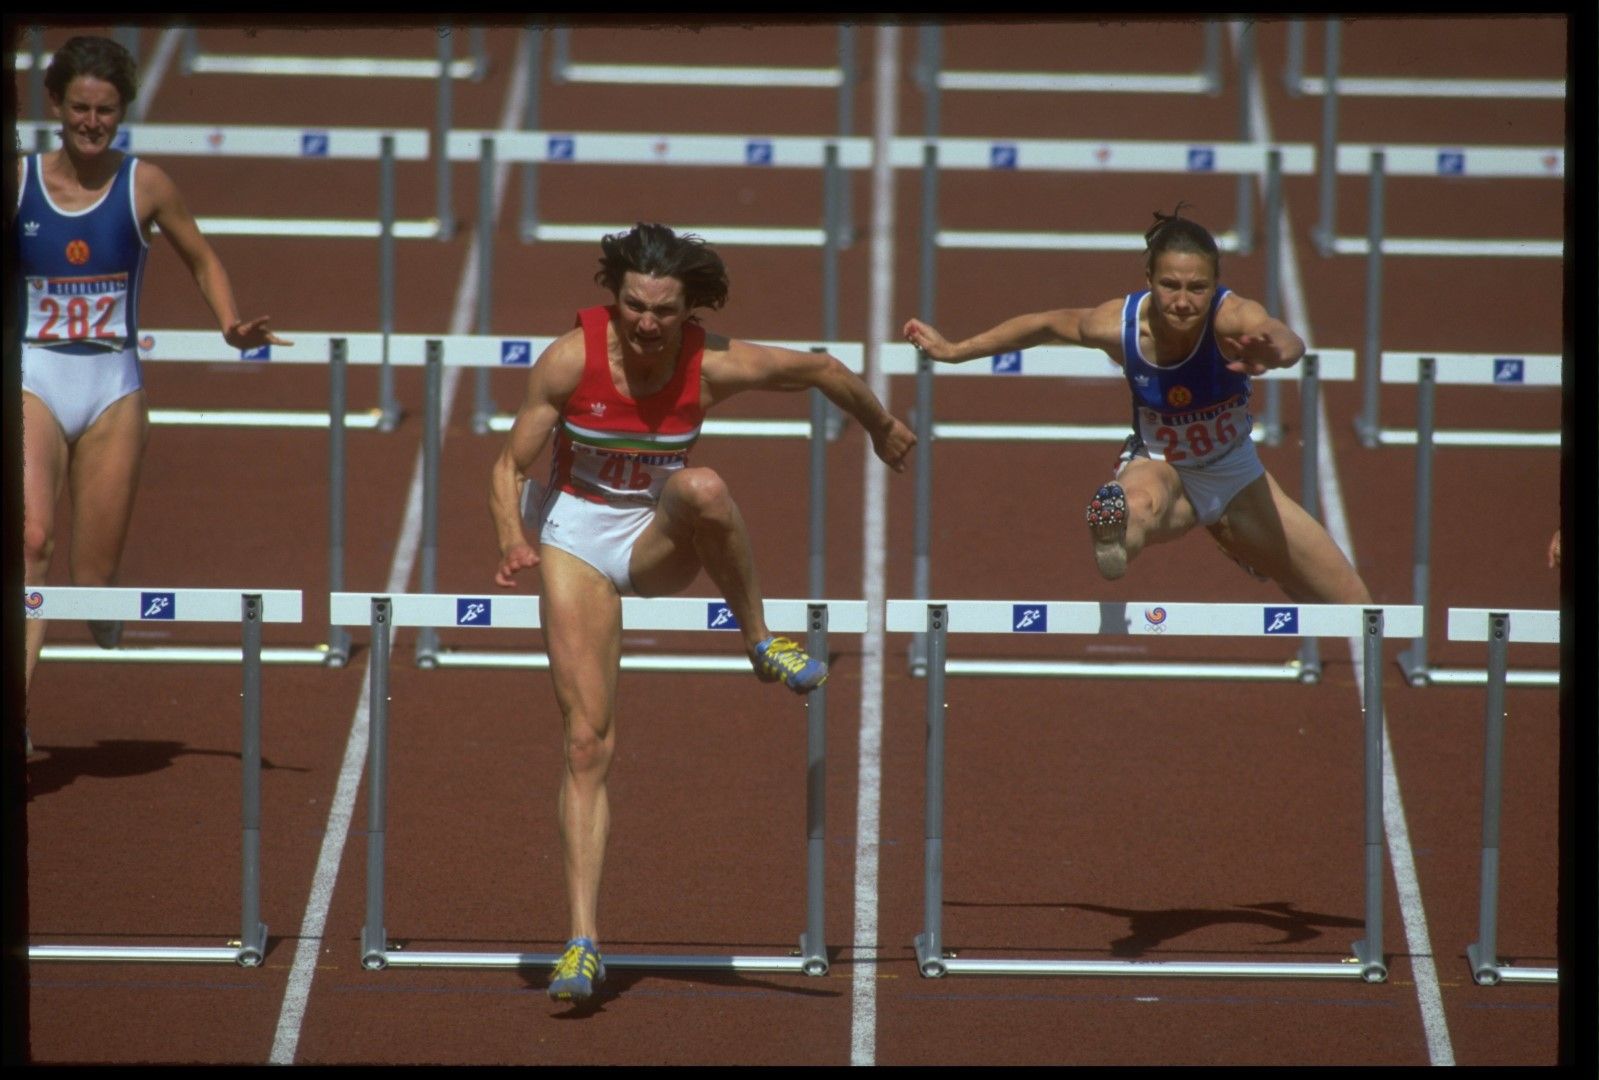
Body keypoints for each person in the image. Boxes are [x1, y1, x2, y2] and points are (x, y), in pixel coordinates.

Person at [488, 222, 916, 1003]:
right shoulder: (570, 359)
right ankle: (581, 944)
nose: (646, 323)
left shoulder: (710, 363)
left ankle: (760, 643)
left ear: (689, 311)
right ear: (613, 299)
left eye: (663, 309)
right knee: (586, 743)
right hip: (574, 537)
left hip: (655, 535)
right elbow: (508, 462)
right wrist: (512, 538)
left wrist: (880, 424)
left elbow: (820, 366)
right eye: (633, 306)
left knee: (704, 486)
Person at [902, 206, 1370, 605]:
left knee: (1354, 605)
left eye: (1198, 288)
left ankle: (1240, 542)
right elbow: (1045, 324)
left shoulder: (1233, 318)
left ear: (1215, 285)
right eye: (1170, 285)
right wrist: (956, 350)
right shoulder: (1117, 325)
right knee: (1137, 505)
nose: (1184, 301)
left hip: (1236, 472)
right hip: (1162, 462)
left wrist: (1276, 352)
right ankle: (1113, 531)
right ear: (1148, 279)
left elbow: (1287, 339)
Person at [18, 36, 290, 722]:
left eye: (105, 110)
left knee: (93, 577)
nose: (90, 122)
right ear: (55, 103)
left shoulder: (145, 185)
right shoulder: (17, 183)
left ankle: (102, 606)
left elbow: (200, 257)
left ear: (122, 112)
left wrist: (230, 325)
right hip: (34, 374)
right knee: (31, 542)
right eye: (79, 107)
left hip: (114, 385)